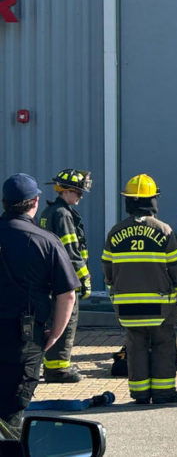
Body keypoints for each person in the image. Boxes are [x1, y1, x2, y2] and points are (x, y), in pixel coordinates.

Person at [0, 174, 78, 436]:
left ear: (5, 202)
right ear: (34, 202)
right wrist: (55, 334)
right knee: (10, 415)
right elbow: (67, 295)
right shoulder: (46, 241)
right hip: (25, 340)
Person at [101, 174, 177, 405]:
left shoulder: (116, 232)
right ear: (153, 201)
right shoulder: (163, 230)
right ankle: (163, 393)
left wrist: (116, 290)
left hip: (127, 307)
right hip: (160, 306)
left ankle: (139, 393)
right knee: (162, 346)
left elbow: (107, 269)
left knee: (135, 347)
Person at [37, 169, 93, 383]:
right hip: (64, 278)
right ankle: (58, 369)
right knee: (67, 320)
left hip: (51, 278)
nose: (80, 196)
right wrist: (84, 278)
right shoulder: (62, 214)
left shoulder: (50, 212)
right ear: (67, 191)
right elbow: (70, 250)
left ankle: (55, 364)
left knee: (54, 320)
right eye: (78, 193)